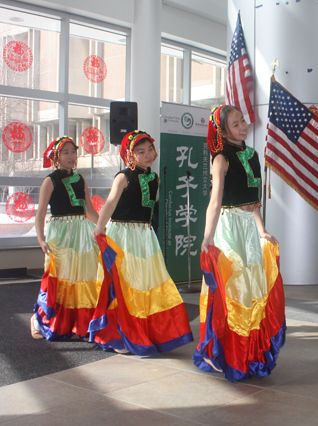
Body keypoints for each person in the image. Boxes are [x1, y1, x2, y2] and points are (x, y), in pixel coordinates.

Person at [193, 105, 286, 382]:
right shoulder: (221, 158)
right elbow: (215, 201)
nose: (243, 126)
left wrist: (262, 230)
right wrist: (208, 237)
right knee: (232, 289)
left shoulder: (252, 155)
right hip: (229, 226)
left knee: (253, 287)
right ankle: (222, 351)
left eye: (243, 121)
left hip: (247, 227)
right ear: (222, 130)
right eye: (235, 124)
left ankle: (249, 351)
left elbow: (254, 199)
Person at [89, 130, 193, 355]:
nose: (147, 154)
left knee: (149, 281)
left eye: (149, 150)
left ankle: (149, 331)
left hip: (145, 236)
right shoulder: (123, 177)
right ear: (130, 155)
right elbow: (110, 203)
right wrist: (99, 227)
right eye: (140, 151)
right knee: (126, 283)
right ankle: (120, 335)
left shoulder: (155, 178)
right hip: (123, 236)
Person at [31, 136, 101, 340]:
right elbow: (41, 213)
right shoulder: (49, 181)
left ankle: (80, 322)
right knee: (61, 278)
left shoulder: (80, 179)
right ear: (56, 156)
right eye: (66, 152)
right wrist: (41, 239)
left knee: (83, 277)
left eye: (73, 152)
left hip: (82, 233)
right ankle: (43, 319)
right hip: (60, 234)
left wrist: (103, 227)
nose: (71, 156)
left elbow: (89, 208)